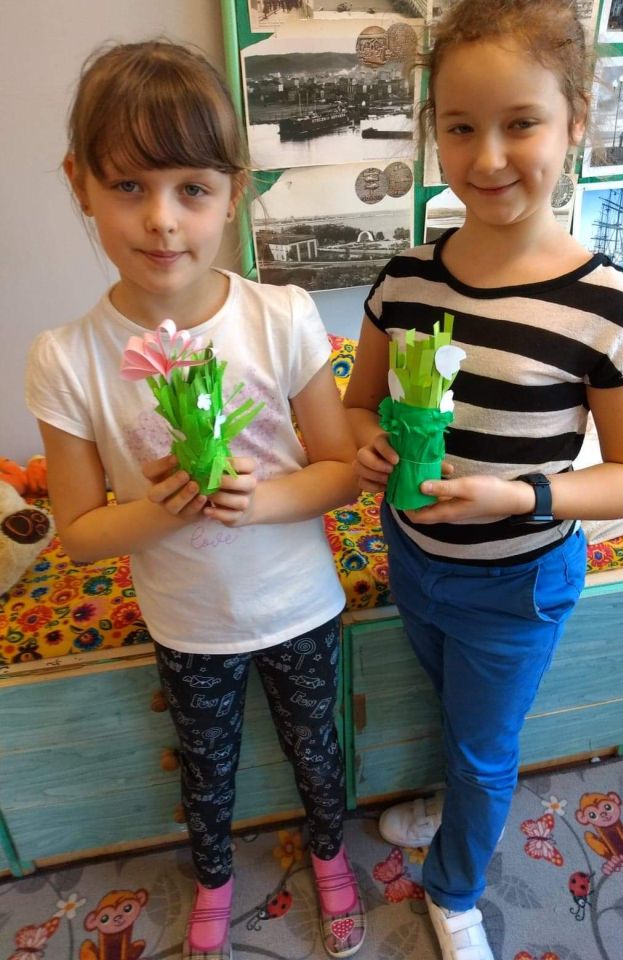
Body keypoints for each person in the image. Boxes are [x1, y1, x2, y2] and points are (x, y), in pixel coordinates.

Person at [342, 1, 623, 958]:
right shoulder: (405, 279)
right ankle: (456, 800)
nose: (487, 158)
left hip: (516, 579)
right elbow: (357, 406)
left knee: (486, 749)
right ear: (433, 132)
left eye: (520, 123)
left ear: (574, 122)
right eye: (459, 127)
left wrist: (523, 496)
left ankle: (454, 890)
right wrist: (366, 445)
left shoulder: (609, 307)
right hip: (413, 554)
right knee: (457, 717)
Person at [25, 40, 365, 960]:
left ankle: (330, 855)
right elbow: (80, 536)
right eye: (128, 186)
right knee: (206, 768)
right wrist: (169, 508)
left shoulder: (279, 315)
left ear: (234, 192)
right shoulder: (67, 358)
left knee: (317, 749)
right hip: (187, 622)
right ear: (80, 184)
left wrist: (257, 501)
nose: (162, 220)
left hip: (299, 604)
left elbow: (342, 473)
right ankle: (213, 877)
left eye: (192, 189)